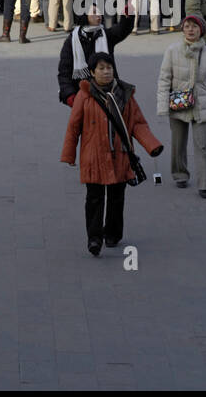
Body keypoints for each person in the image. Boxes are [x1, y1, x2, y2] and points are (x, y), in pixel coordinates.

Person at [61, 51, 163, 254]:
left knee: (117, 197)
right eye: (101, 68)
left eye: (109, 68)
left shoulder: (125, 93)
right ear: (92, 72)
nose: (106, 72)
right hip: (93, 156)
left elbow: (137, 123)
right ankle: (94, 238)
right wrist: (69, 155)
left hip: (120, 155)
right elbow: (74, 126)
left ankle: (113, 234)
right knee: (94, 198)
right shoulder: (85, 95)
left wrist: (152, 145)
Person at [157, 14, 206, 196]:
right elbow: (164, 80)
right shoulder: (172, 50)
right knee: (178, 143)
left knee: (202, 145)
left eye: (194, 26)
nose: (190, 30)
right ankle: (180, 175)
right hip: (178, 101)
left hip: (201, 104)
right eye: (187, 26)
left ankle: (204, 185)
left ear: (201, 30)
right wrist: (162, 106)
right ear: (182, 29)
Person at [58, 5, 134, 106]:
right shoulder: (72, 40)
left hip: (108, 93)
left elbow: (122, 30)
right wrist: (70, 96)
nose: (99, 15)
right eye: (94, 12)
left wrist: (127, 16)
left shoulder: (105, 35)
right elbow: (64, 71)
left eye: (99, 12)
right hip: (82, 96)